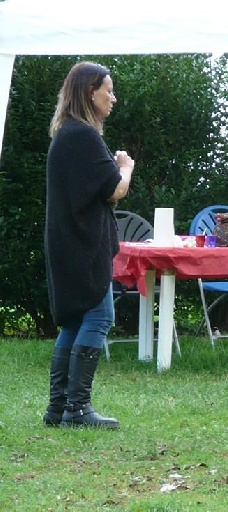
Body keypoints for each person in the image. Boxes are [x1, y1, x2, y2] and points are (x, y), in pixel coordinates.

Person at [43, 61, 135, 428]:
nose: (113, 97)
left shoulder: (68, 134)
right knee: (99, 315)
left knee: (74, 319)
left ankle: (58, 409)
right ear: (89, 92)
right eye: (108, 90)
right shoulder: (82, 135)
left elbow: (97, 192)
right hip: (82, 244)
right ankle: (77, 409)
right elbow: (114, 189)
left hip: (68, 241)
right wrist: (125, 167)